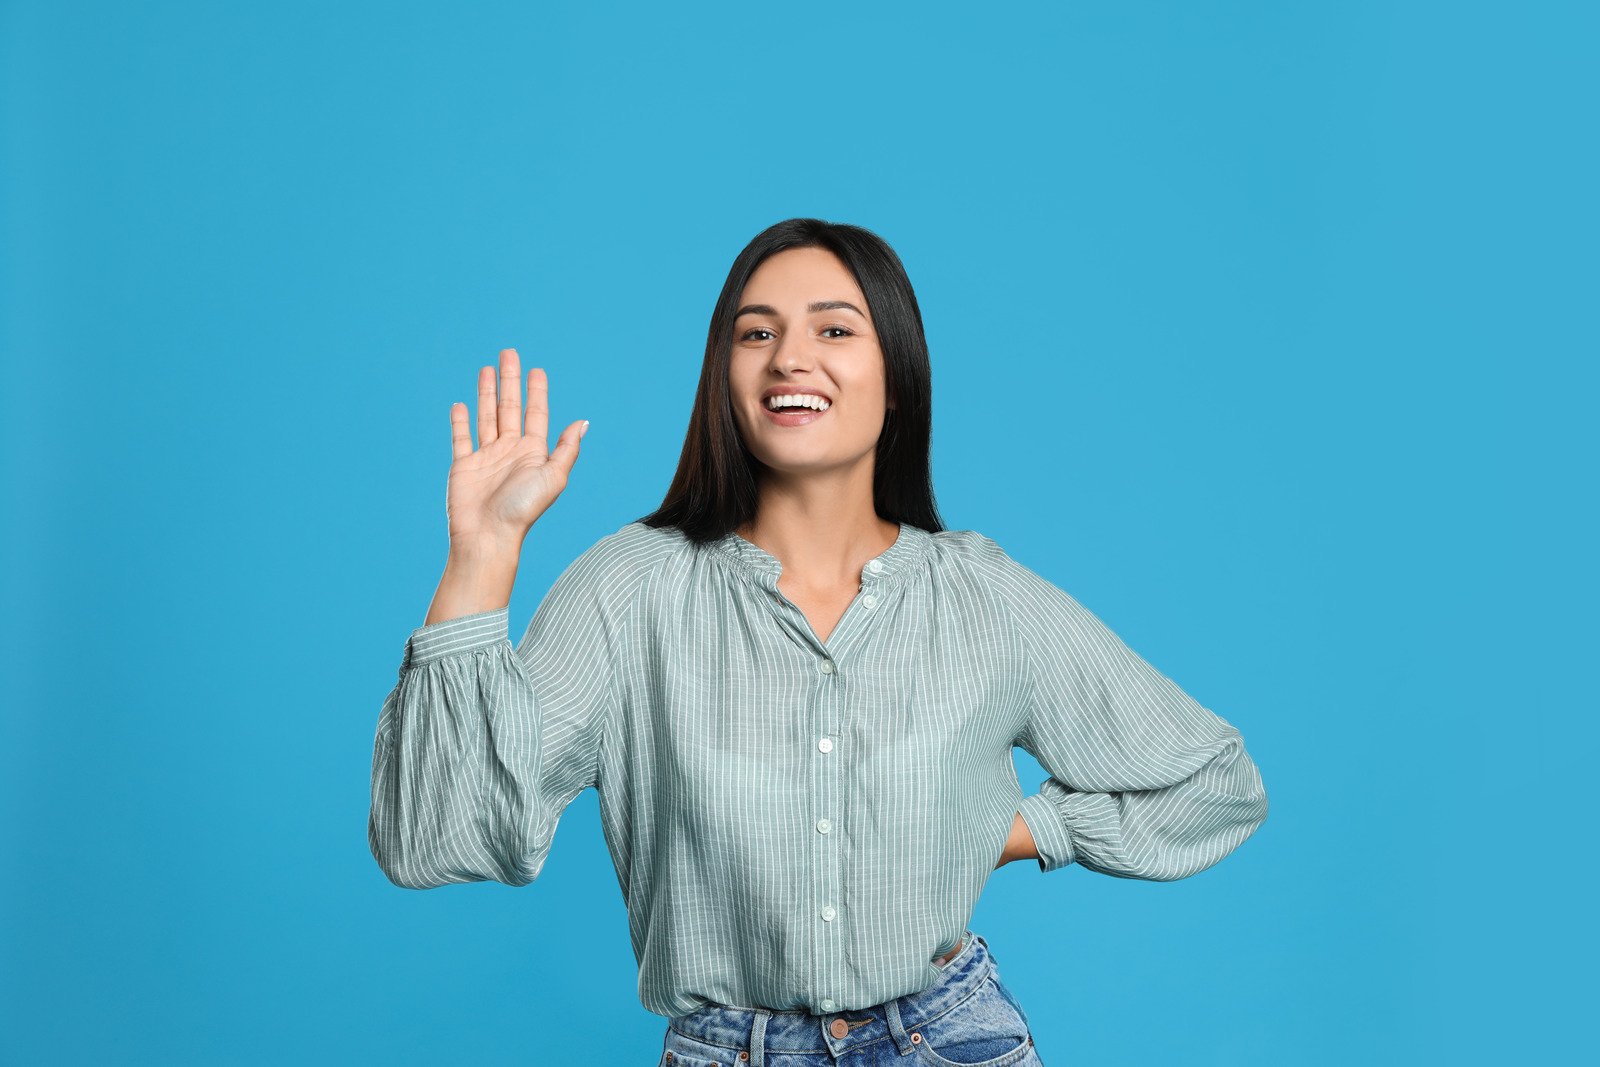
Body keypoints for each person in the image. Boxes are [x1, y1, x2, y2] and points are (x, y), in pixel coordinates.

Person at [368, 218, 1269, 1065]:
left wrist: (1027, 827)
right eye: (756, 333)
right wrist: (481, 558)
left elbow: (1214, 780)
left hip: (948, 1038)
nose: (790, 356)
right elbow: (437, 836)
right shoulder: (631, 586)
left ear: (897, 371)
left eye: (835, 330)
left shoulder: (981, 596)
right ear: (725, 372)